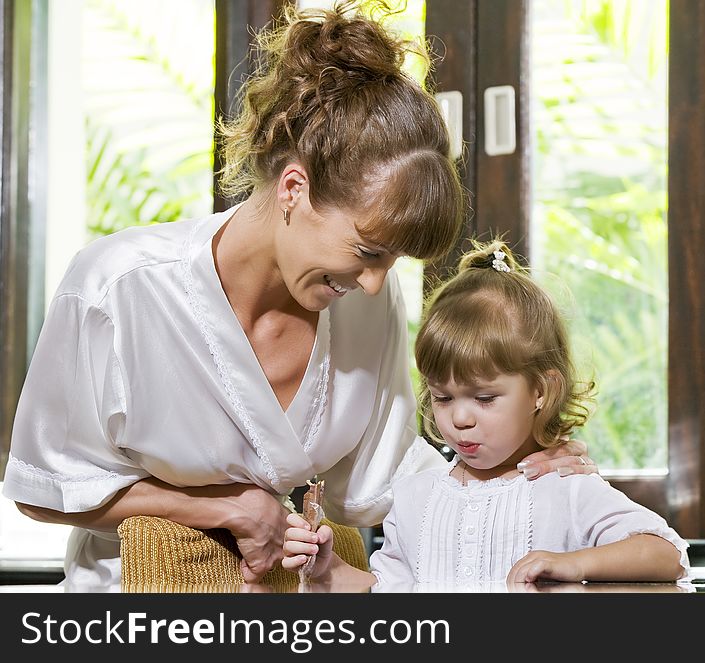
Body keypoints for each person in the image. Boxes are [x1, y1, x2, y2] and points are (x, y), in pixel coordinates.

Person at [1, 2, 595, 590]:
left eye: (391, 264)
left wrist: (527, 467)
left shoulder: (364, 300)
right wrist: (222, 508)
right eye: (366, 252)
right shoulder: (117, 288)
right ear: (294, 188)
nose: (374, 284)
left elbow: (384, 482)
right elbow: (45, 490)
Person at [283, 240, 690, 590]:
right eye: (443, 398)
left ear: (540, 391)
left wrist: (574, 564)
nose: (460, 419)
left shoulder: (565, 488)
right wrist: (330, 575)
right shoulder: (413, 497)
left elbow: (667, 554)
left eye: (485, 398)